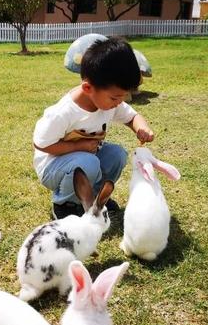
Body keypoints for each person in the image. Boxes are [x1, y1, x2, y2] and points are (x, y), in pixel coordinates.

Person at [33, 36, 154, 219]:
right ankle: (66, 204)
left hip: (86, 159)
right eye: (115, 98)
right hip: (53, 168)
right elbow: (41, 144)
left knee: (117, 154)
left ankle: (96, 198)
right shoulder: (64, 112)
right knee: (88, 162)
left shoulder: (109, 103)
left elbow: (132, 117)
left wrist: (141, 127)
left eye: (123, 97)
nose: (119, 103)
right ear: (88, 88)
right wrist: (77, 146)